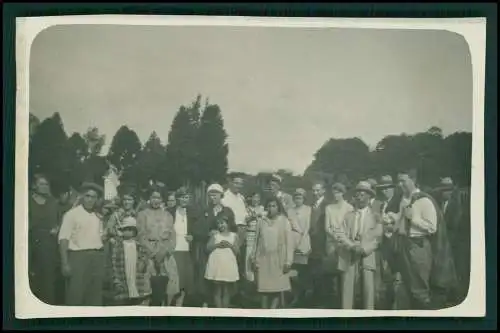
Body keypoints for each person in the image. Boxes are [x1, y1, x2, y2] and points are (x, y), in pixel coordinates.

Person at [390, 170, 457, 309]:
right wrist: (393, 219)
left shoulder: (424, 200)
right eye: (398, 181)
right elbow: (401, 223)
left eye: (403, 180)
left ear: (413, 180)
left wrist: (413, 219)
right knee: (406, 287)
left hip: (418, 247)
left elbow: (432, 227)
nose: (400, 184)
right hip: (403, 246)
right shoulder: (403, 199)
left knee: (420, 288)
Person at [335, 181, 383, 309]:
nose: (360, 197)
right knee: (347, 288)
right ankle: (346, 316)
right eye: (358, 195)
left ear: (369, 197)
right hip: (350, 253)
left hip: (367, 255)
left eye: (363, 195)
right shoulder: (348, 216)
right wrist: (351, 246)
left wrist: (364, 249)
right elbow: (341, 234)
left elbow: (378, 237)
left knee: (368, 289)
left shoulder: (375, 216)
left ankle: (368, 317)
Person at [58, 182, 106, 306]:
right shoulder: (71, 214)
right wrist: (65, 263)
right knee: (75, 295)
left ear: (97, 199)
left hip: (96, 258)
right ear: (82, 196)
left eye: (93, 197)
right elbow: (63, 239)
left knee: (94, 296)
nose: (90, 200)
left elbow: (100, 237)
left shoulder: (98, 216)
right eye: (87, 196)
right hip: (78, 258)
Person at [136, 186, 180, 306]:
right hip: (148, 254)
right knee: (148, 289)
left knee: (169, 286)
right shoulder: (142, 214)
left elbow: (172, 235)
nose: (156, 200)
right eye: (153, 197)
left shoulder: (168, 215)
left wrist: (166, 251)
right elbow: (141, 236)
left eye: (158, 197)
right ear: (149, 198)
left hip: (165, 253)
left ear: (162, 199)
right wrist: (153, 253)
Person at [196, 183, 236, 307]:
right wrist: (208, 233)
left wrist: (224, 233)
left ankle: (224, 306)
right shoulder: (204, 211)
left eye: (216, 194)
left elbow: (234, 229)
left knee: (223, 279)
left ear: (221, 196)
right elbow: (197, 230)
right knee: (208, 276)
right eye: (211, 195)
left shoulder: (227, 211)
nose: (213, 197)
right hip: (209, 249)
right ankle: (207, 302)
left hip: (224, 250)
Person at [251, 197, 294, 309]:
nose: (271, 209)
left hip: (279, 259)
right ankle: (264, 313)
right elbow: (256, 241)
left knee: (277, 289)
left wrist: (288, 262)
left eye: (274, 206)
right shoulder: (261, 222)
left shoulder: (284, 221)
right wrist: (254, 258)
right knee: (264, 290)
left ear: (278, 207)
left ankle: (272, 312)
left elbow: (290, 243)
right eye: (269, 206)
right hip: (264, 259)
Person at [28, 174, 61, 305]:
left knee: (48, 277)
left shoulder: (53, 202)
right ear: (34, 185)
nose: (44, 187)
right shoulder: (27, 201)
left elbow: (59, 221)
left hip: (48, 242)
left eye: (46, 184)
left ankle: (48, 305)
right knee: (31, 274)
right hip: (30, 241)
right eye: (41, 184)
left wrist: (57, 228)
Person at [434, 177, 466, 305]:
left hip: (453, 243)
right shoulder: (440, 203)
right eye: (443, 190)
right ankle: (447, 295)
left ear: (452, 191)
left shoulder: (456, 205)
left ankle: (456, 298)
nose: (445, 193)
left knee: (455, 270)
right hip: (443, 244)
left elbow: (454, 224)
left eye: (448, 190)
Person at [324, 182, 353, 308]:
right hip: (332, 242)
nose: (336, 195)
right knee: (332, 273)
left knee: (344, 273)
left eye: (338, 192)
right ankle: (334, 302)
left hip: (345, 242)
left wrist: (343, 238)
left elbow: (350, 226)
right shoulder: (329, 208)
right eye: (334, 192)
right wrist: (335, 237)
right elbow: (327, 227)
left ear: (343, 193)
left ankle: (344, 302)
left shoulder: (349, 208)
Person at [110, 216, 151, 305]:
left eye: (131, 230)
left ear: (134, 232)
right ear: (122, 231)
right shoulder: (118, 246)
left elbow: (144, 258)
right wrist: (116, 278)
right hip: (124, 269)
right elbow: (114, 262)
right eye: (126, 229)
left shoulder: (138, 246)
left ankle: (135, 296)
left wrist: (143, 262)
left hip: (135, 269)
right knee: (125, 289)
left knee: (135, 284)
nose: (128, 232)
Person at [166, 187, 196, 307]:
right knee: (172, 281)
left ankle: (179, 307)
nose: (184, 200)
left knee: (184, 281)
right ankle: (166, 306)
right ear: (177, 198)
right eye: (182, 197)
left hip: (187, 250)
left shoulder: (192, 213)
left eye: (187, 197)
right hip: (173, 249)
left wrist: (193, 236)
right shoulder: (170, 211)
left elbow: (197, 229)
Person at [221, 173, 248, 305]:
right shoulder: (225, 197)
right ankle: (229, 294)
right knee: (231, 260)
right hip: (233, 230)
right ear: (230, 183)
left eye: (241, 184)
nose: (238, 186)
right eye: (236, 183)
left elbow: (243, 215)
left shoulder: (241, 198)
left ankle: (237, 292)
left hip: (243, 230)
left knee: (240, 262)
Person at [205, 212, 240, 308]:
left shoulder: (234, 236)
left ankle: (225, 311)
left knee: (226, 291)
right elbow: (207, 248)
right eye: (219, 223)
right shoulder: (215, 235)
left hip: (228, 266)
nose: (221, 225)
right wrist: (217, 245)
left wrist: (230, 245)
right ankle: (218, 311)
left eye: (223, 223)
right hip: (217, 266)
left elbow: (237, 251)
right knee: (217, 290)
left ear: (228, 223)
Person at [287, 188, 312, 307]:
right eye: (296, 197)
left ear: (304, 198)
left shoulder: (308, 210)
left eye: (300, 197)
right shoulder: (289, 211)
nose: (298, 199)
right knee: (292, 272)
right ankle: (294, 296)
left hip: (303, 242)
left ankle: (303, 296)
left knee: (302, 272)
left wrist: (302, 243)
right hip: (292, 243)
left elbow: (307, 228)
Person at [307, 180, 329, 308]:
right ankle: (314, 298)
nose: (315, 193)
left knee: (321, 272)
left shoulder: (327, 206)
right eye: (314, 190)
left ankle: (321, 301)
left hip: (322, 242)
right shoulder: (312, 205)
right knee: (313, 271)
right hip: (312, 243)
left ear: (323, 190)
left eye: (318, 190)